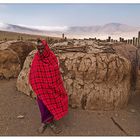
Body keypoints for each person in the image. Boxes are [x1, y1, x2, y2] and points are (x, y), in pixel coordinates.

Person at [29, 39, 68, 134]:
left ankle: (50, 122)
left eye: (42, 48)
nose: (40, 51)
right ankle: (45, 122)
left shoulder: (52, 57)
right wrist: (38, 85)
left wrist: (52, 85)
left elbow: (55, 74)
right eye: (38, 49)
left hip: (52, 88)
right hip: (41, 89)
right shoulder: (36, 58)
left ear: (46, 47)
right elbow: (33, 74)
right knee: (42, 105)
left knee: (52, 103)